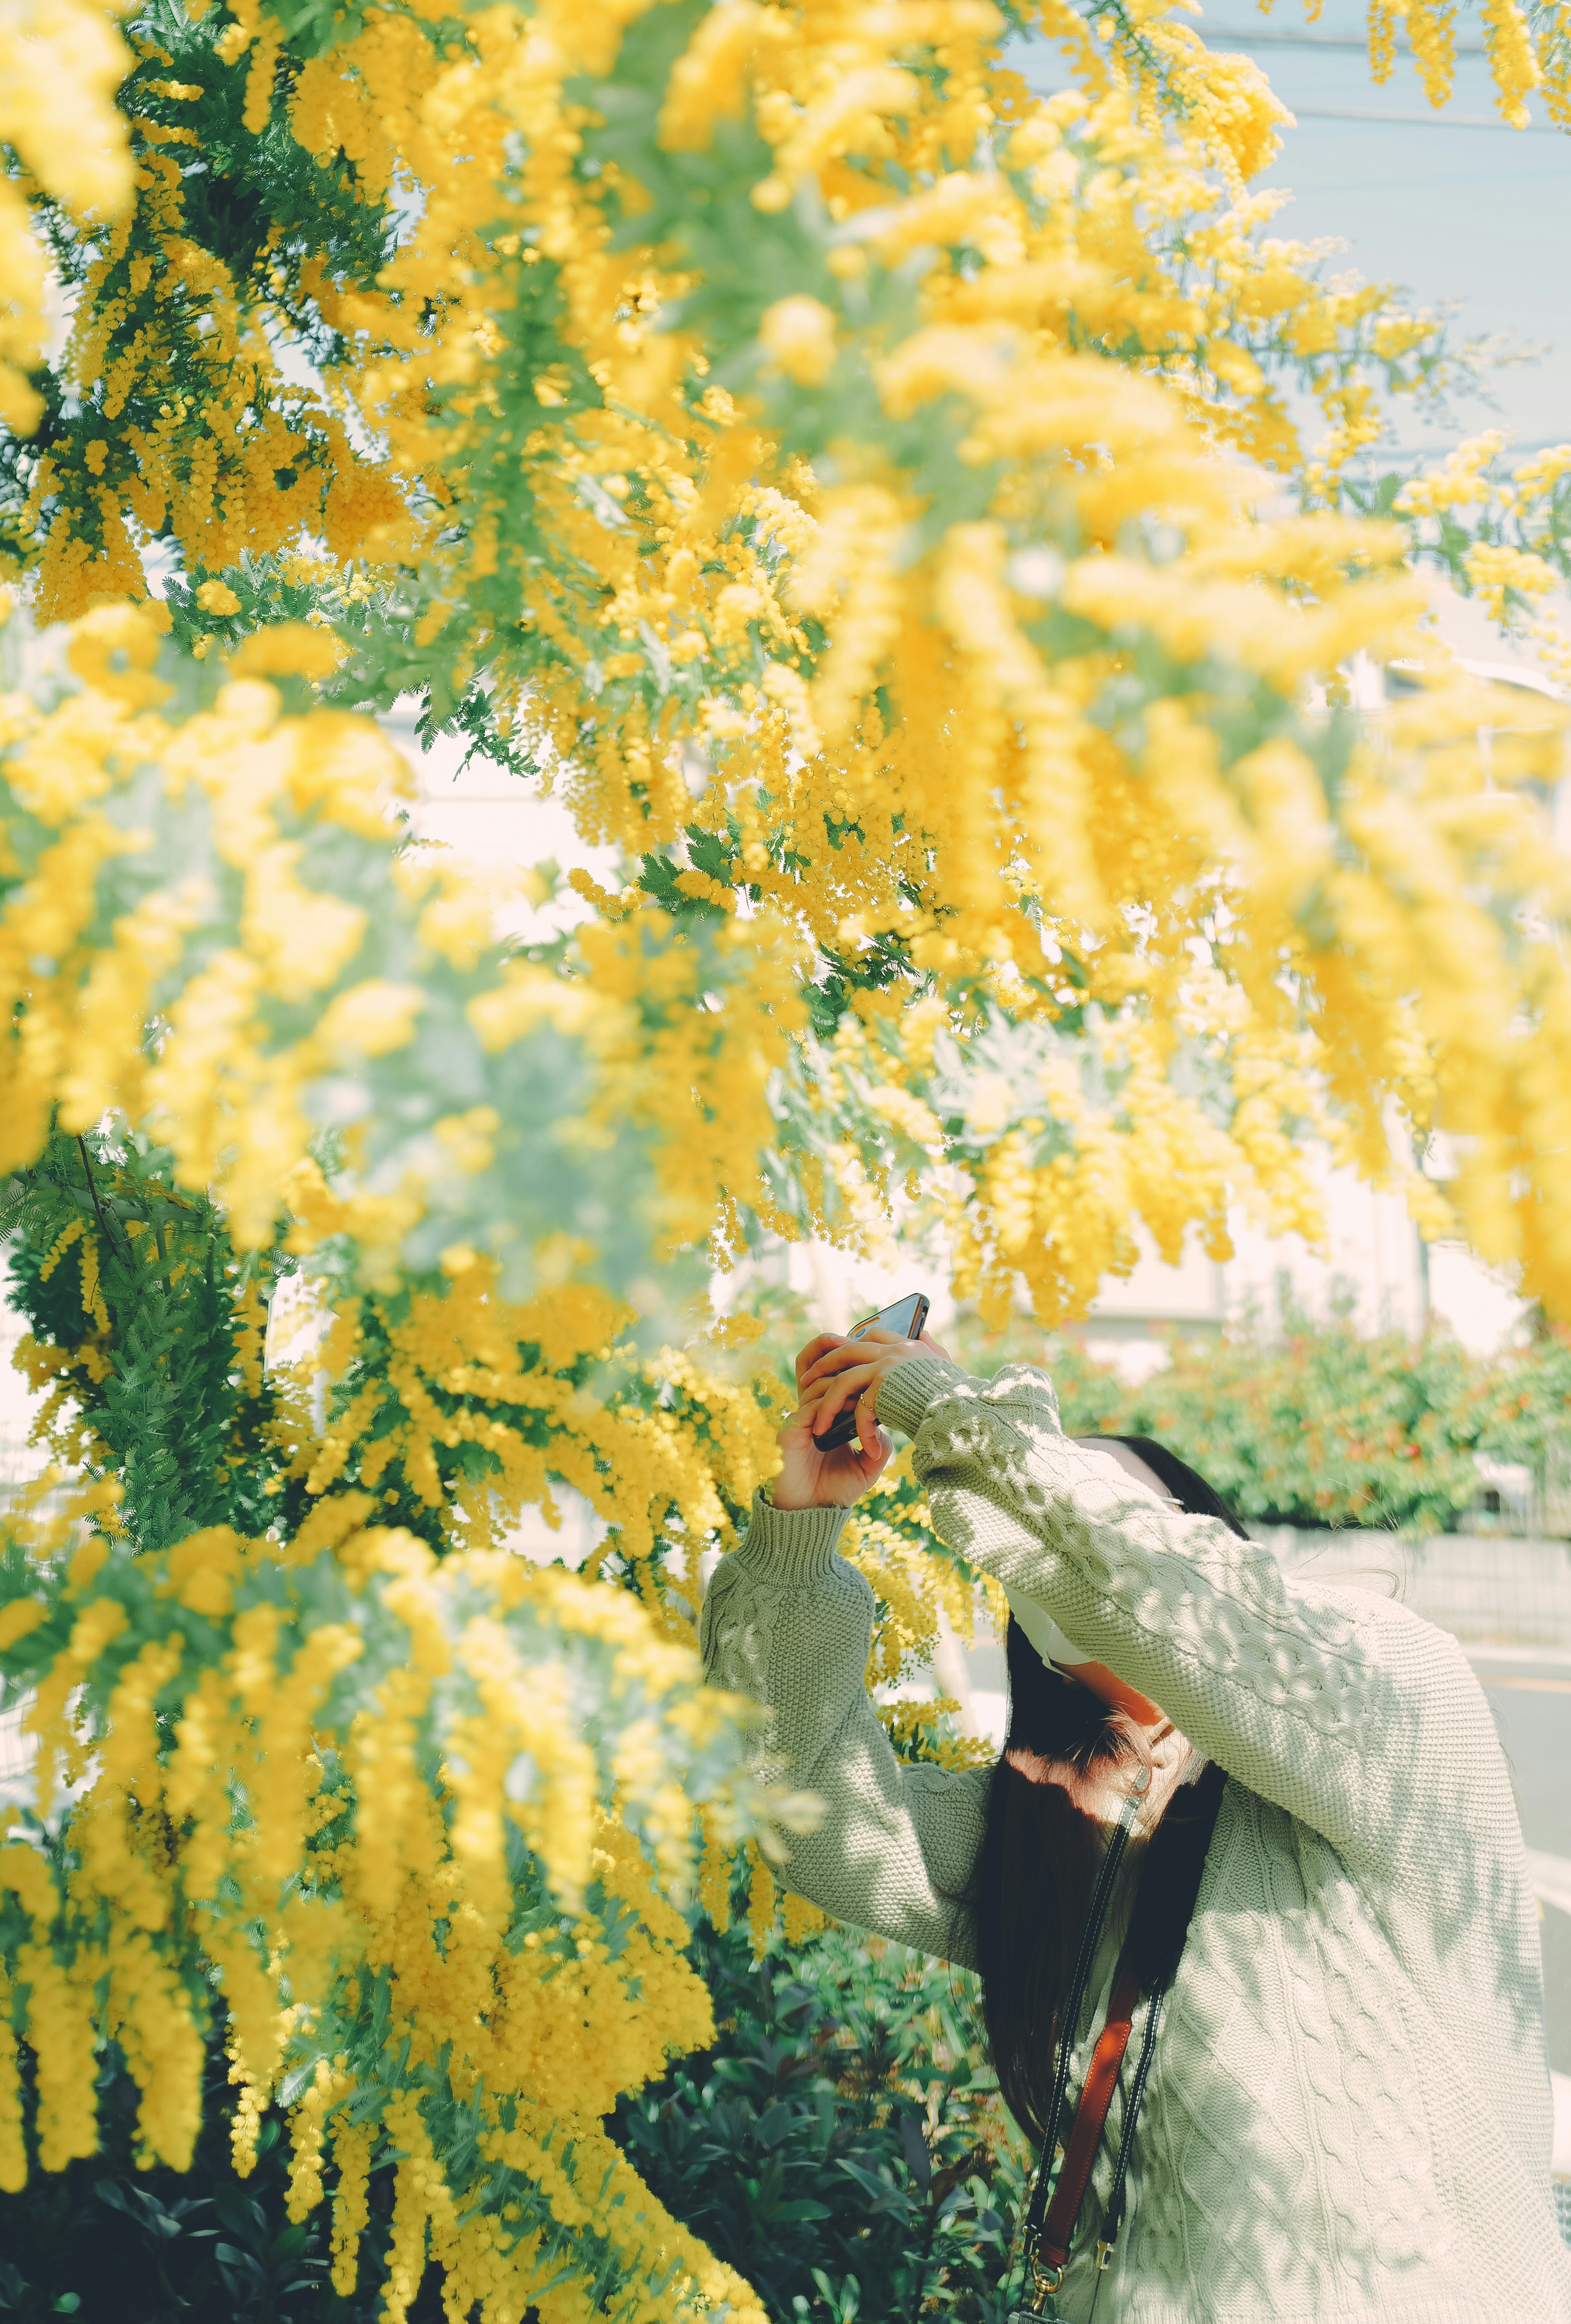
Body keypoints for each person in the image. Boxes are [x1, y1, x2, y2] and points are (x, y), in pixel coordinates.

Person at [700, 1324, 1571, 2322]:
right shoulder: (1044, 1819)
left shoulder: (1386, 1681)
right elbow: (792, 1802)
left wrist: (963, 1418)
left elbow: (1164, 1589)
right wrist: (797, 1540)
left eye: (1094, 1496)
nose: (1052, 1528)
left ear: (1206, 1542)